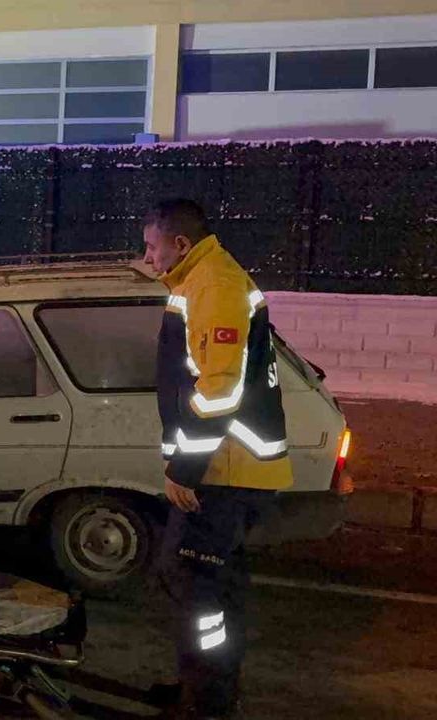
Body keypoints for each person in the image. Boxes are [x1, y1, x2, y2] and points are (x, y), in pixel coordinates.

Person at [143, 199, 292, 719]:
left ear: (180, 243)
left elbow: (219, 392)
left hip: (226, 468)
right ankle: (205, 688)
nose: (148, 257)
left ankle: (206, 701)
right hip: (227, 464)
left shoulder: (214, 285)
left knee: (194, 584)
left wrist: (186, 468)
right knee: (210, 587)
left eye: (152, 246)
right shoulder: (201, 280)